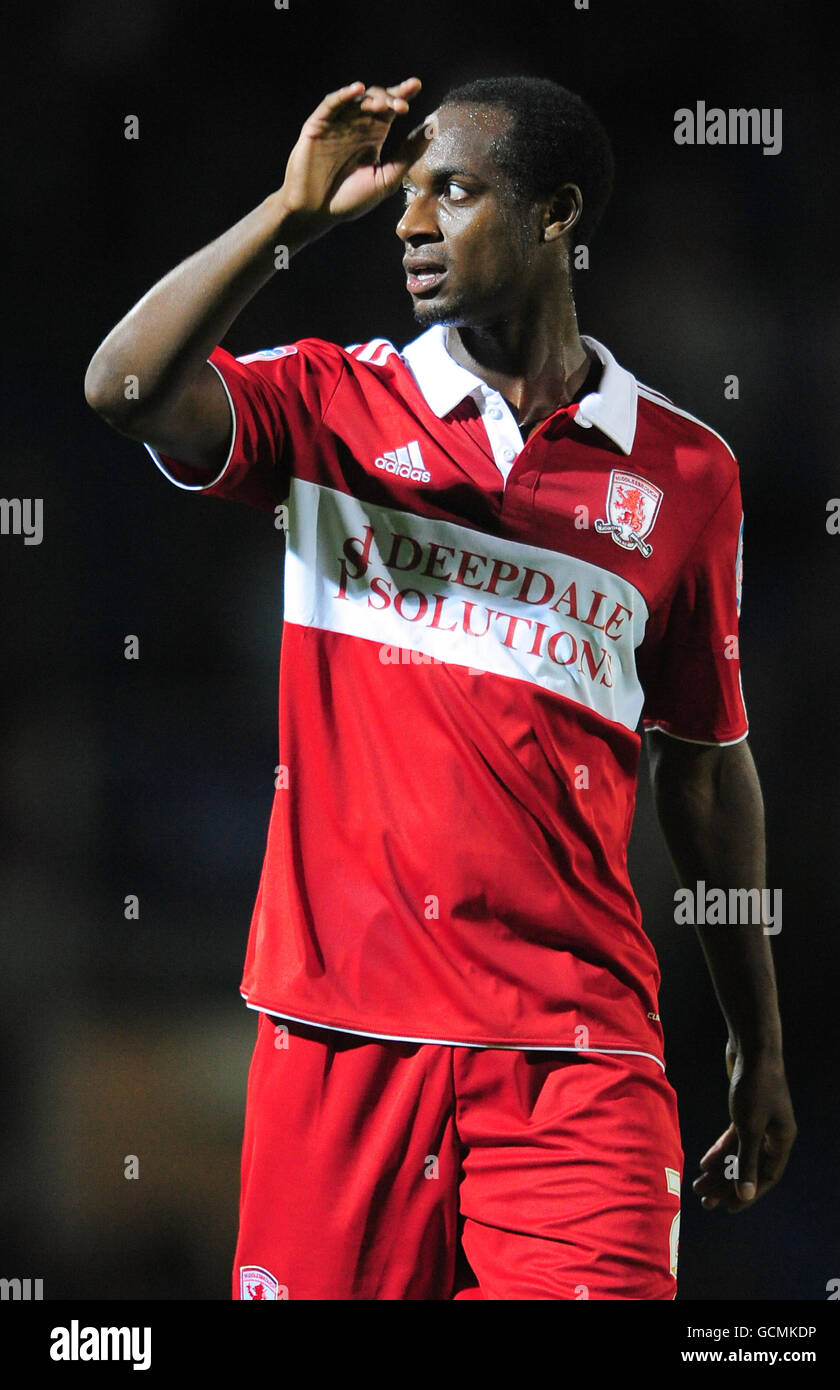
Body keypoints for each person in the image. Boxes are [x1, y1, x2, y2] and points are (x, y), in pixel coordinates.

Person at [84, 74, 797, 1300]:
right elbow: (126, 388)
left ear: (555, 214)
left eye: (451, 192)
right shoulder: (333, 406)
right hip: (341, 1032)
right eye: (403, 196)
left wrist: (756, 1043)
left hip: (577, 1050)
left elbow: (704, 763)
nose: (409, 223)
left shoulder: (685, 474)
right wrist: (283, 219)